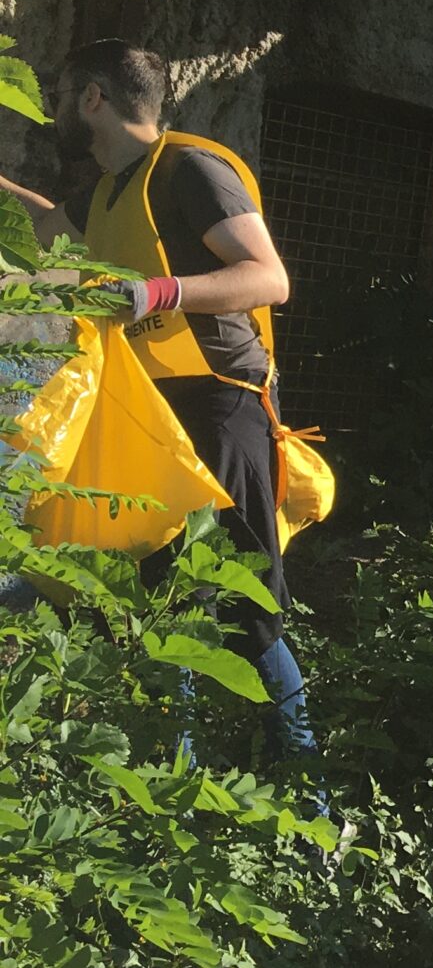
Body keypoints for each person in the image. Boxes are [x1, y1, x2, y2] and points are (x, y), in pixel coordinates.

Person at [0, 39, 315, 766]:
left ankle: (308, 796)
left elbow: (269, 278)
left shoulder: (190, 169)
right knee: (153, 604)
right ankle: (172, 786)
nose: (52, 112)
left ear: (93, 99)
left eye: (60, 96)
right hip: (150, 418)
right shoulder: (106, 194)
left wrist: (155, 292)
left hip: (220, 408)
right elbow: (39, 232)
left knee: (246, 612)